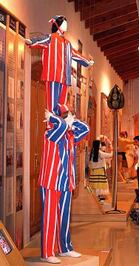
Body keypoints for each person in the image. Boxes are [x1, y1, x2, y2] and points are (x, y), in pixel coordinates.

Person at [39, 108, 89, 263]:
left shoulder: (70, 136)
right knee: (50, 218)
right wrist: (55, 118)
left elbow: (86, 128)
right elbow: (60, 126)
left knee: (65, 218)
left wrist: (72, 120)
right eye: (67, 116)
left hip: (66, 183)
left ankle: (65, 248)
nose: (70, 118)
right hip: (51, 182)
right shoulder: (51, 133)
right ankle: (47, 252)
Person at [26, 15, 93, 116]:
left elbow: (75, 54)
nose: (66, 26)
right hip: (53, 76)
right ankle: (52, 126)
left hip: (65, 79)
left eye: (66, 24)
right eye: (64, 24)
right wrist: (32, 41)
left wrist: (86, 62)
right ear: (57, 25)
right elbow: (41, 40)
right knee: (52, 106)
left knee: (61, 105)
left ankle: (60, 123)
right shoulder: (51, 38)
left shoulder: (67, 43)